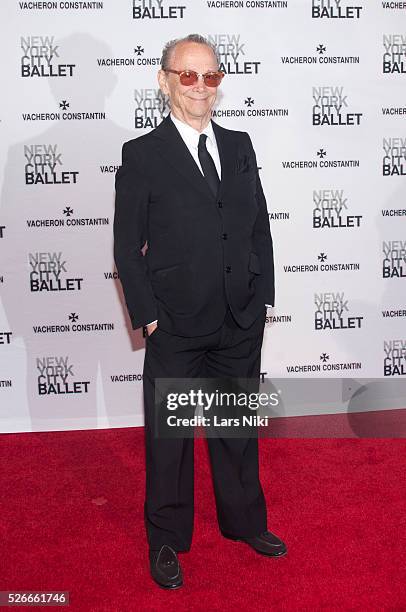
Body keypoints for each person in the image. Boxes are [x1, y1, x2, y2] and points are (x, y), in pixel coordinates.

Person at [114, 33, 286, 590]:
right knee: (170, 438)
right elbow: (126, 248)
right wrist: (150, 315)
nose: (201, 87)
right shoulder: (141, 155)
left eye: (210, 75)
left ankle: (245, 523)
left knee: (236, 428)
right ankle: (165, 539)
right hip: (177, 320)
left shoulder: (239, 145)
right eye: (188, 75)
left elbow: (258, 224)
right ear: (164, 81)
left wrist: (263, 298)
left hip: (239, 316)